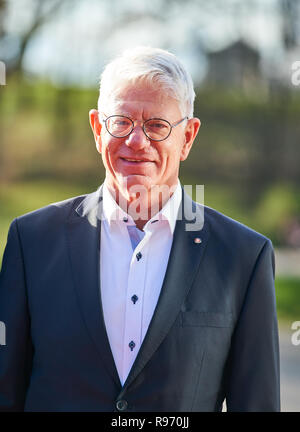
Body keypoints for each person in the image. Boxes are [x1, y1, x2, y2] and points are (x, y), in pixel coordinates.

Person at [0, 46, 280, 412]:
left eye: (157, 125)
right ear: (98, 129)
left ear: (188, 138)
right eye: (122, 121)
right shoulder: (31, 241)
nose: (136, 141)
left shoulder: (243, 257)